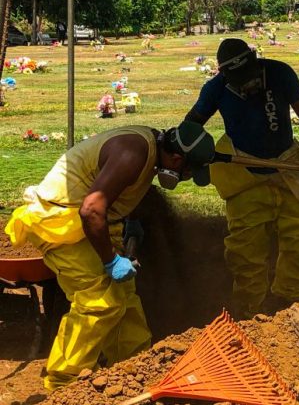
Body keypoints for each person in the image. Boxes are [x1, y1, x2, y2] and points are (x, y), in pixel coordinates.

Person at [4, 122, 215, 390]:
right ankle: (63, 382)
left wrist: (131, 218)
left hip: (93, 221)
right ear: (176, 159)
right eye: (186, 173)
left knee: (124, 299)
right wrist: (111, 261)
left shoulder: (151, 148)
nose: (184, 178)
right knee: (97, 301)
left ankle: (135, 365)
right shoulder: (133, 153)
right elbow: (91, 209)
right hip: (62, 221)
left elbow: (121, 189)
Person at [185, 38, 299, 319]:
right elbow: (191, 125)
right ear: (226, 76)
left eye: (251, 76)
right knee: (245, 253)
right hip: (243, 176)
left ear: (257, 63)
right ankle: (250, 312)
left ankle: (290, 303)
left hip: (286, 167)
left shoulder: (279, 73)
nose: (249, 84)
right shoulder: (215, 90)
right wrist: (194, 160)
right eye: (240, 81)